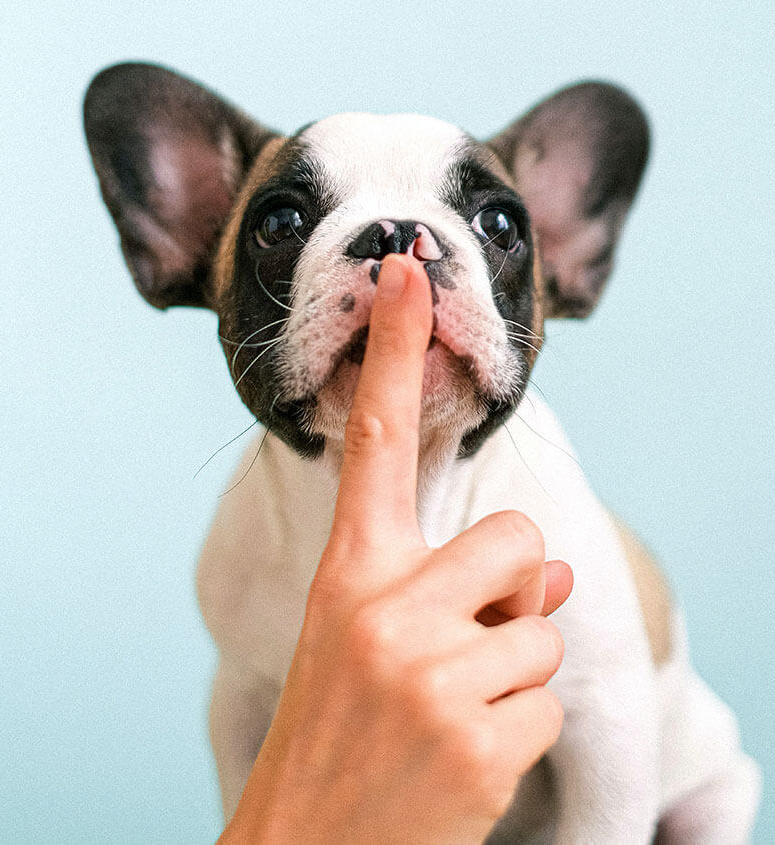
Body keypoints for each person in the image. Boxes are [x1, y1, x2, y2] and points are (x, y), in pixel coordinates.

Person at [218, 255, 573, 843]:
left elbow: (618, 724)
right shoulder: (237, 571)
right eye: (282, 226)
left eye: (497, 229)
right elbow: (243, 704)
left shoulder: (558, 507)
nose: (404, 259)